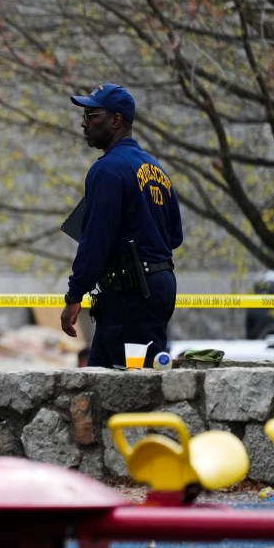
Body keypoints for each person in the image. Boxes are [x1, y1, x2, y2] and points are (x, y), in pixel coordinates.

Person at [61, 84, 183, 368]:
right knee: (98, 383)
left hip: (132, 294)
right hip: (152, 286)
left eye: (92, 115)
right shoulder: (156, 169)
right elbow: (174, 237)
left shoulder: (107, 170)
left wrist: (74, 295)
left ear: (115, 120)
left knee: (135, 391)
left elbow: (95, 241)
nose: (84, 122)